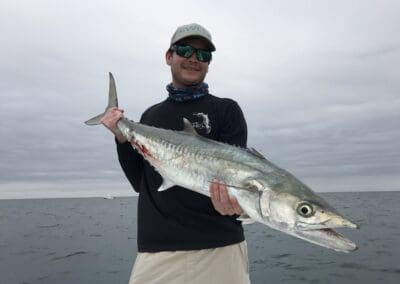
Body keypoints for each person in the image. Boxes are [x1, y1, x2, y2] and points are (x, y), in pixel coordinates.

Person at [101, 23, 251, 284]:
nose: (194, 58)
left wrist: (237, 203)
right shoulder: (150, 117)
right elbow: (141, 183)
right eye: (185, 50)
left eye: (203, 55)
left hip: (220, 247)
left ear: (209, 63)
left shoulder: (227, 110)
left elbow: (234, 179)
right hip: (158, 250)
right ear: (169, 56)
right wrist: (121, 136)